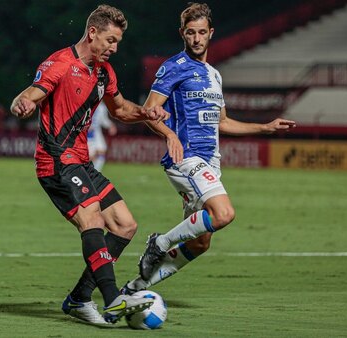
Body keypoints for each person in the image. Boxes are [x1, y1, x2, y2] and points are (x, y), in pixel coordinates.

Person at [10, 5, 169, 325]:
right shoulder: (59, 64)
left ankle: (80, 299)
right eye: (110, 40)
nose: (114, 48)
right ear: (92, 32)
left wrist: (146, 113)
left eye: (118, 43)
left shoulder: (103, 73)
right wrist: (22, 102)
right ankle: (112, 300)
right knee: (92, 220)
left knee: (125, 225)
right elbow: (30, 94)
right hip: (55, 162)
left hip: (81, 163)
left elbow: (120, 109)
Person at [122, 3, 296, 293]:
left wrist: (264, 127)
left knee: (200, 242)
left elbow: (223, 123)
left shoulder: (214, 75)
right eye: (190, 33)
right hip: (186, 158)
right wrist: (169, 135)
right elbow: (149, 110)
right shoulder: (174, 67)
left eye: (202, 32)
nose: (197, 39)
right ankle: (160, 243)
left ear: (211, 33)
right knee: (224, 213)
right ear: (182, 34)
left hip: (210, 162)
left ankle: (135, 288)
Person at [87, 102, 117, 172]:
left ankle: (96, 173)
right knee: (90, 157)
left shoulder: (101, 107)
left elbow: (103, 120)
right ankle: (87, 174)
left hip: (97, 132)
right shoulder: (86, 103)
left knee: (102, 151)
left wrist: (111, 125)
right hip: (86, 134)